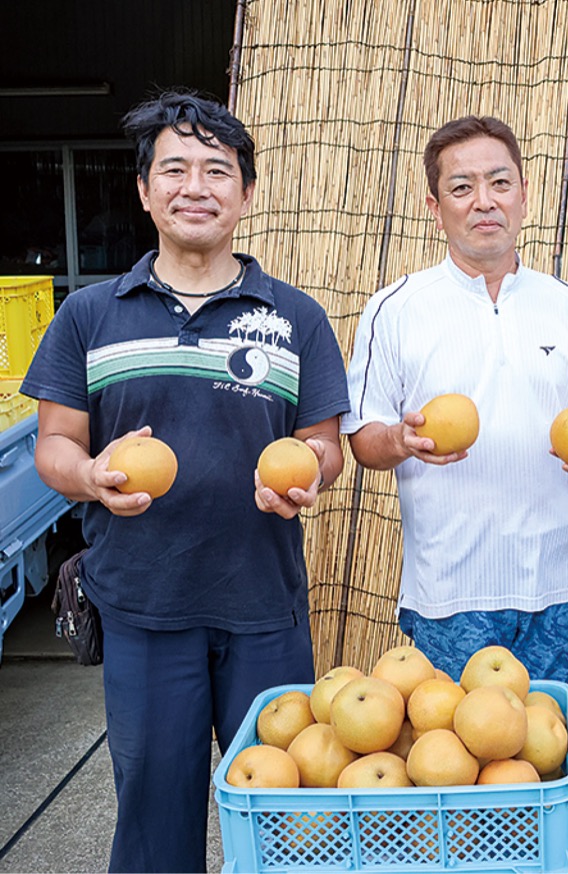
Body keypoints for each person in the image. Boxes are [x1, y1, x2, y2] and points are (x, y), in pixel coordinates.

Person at [20, 90, 349, 873]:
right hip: (142, 606)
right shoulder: (90, 316)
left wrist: (309, 477)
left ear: (246, 192)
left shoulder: (295, 317)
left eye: (217, 170)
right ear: (143, 190)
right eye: (174, 168)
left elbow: (324, 445)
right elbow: (55, 445)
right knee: (154, 824)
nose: (195, 186)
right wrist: (93, 476)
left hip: (263, 608)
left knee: (284, 821)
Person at [342, 116, 568, 687]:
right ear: (434, 205)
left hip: (555, 583)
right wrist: (401, 439)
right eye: (462, 187)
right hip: (448, 590)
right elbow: (363, 437)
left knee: (546, 753)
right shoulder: (396, 308)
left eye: (500, 183)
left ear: (524, 195)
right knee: (453, 761)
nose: (483, 202)